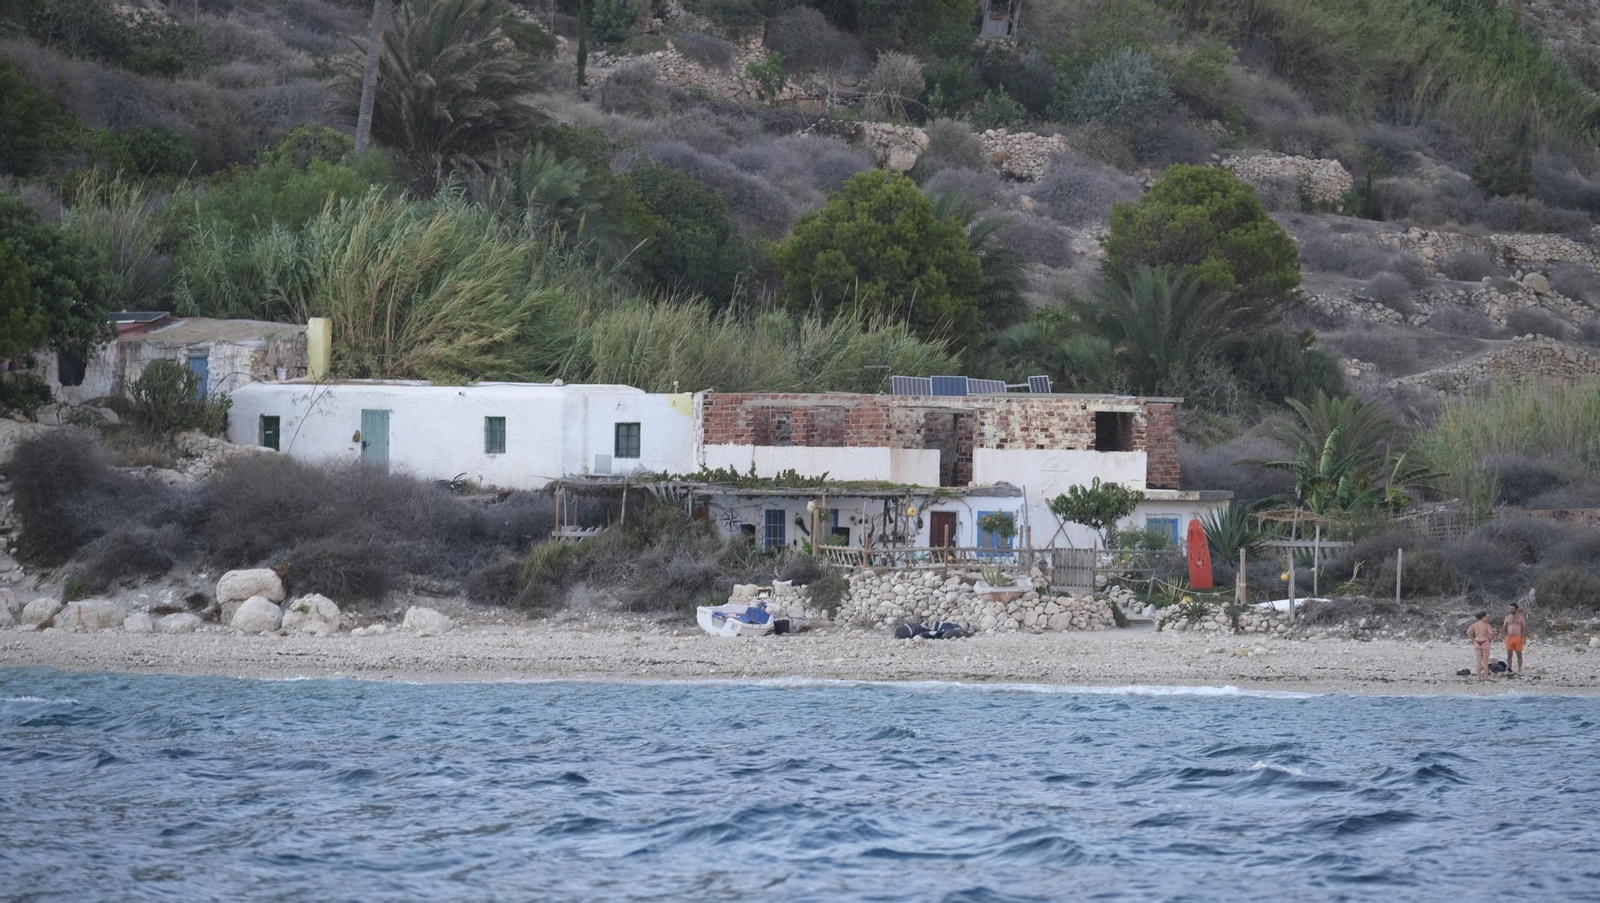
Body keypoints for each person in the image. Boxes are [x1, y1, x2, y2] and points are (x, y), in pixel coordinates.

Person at [1467, 612, 1495, 680]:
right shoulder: (1487, 625)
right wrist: (1490, 639)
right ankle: (1486, 676)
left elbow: (1468, 632)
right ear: (1483, 617)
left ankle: (1479, 677)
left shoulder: (1475, 624)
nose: (1487, 618)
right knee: (1485, 661)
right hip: (1485, 641)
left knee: (1478, 661)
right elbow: (1491, 633)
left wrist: (1473, 639)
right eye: (1486, 616)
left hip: (1477, 641)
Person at [1503, 602, 1528, 675]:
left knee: (1519, 654)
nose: (1510, 610)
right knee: (1509, 654)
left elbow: (1524, 628)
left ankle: (1519, 668)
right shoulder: (1507, 617)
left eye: (1512, 608)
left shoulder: (1520, 618)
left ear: (1516, 609)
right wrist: (1502, 634)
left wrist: (1524, 638)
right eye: (1509, 608)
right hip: (1509, 637)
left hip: (1517, 637)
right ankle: (1509, 668)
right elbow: (1505, 626)